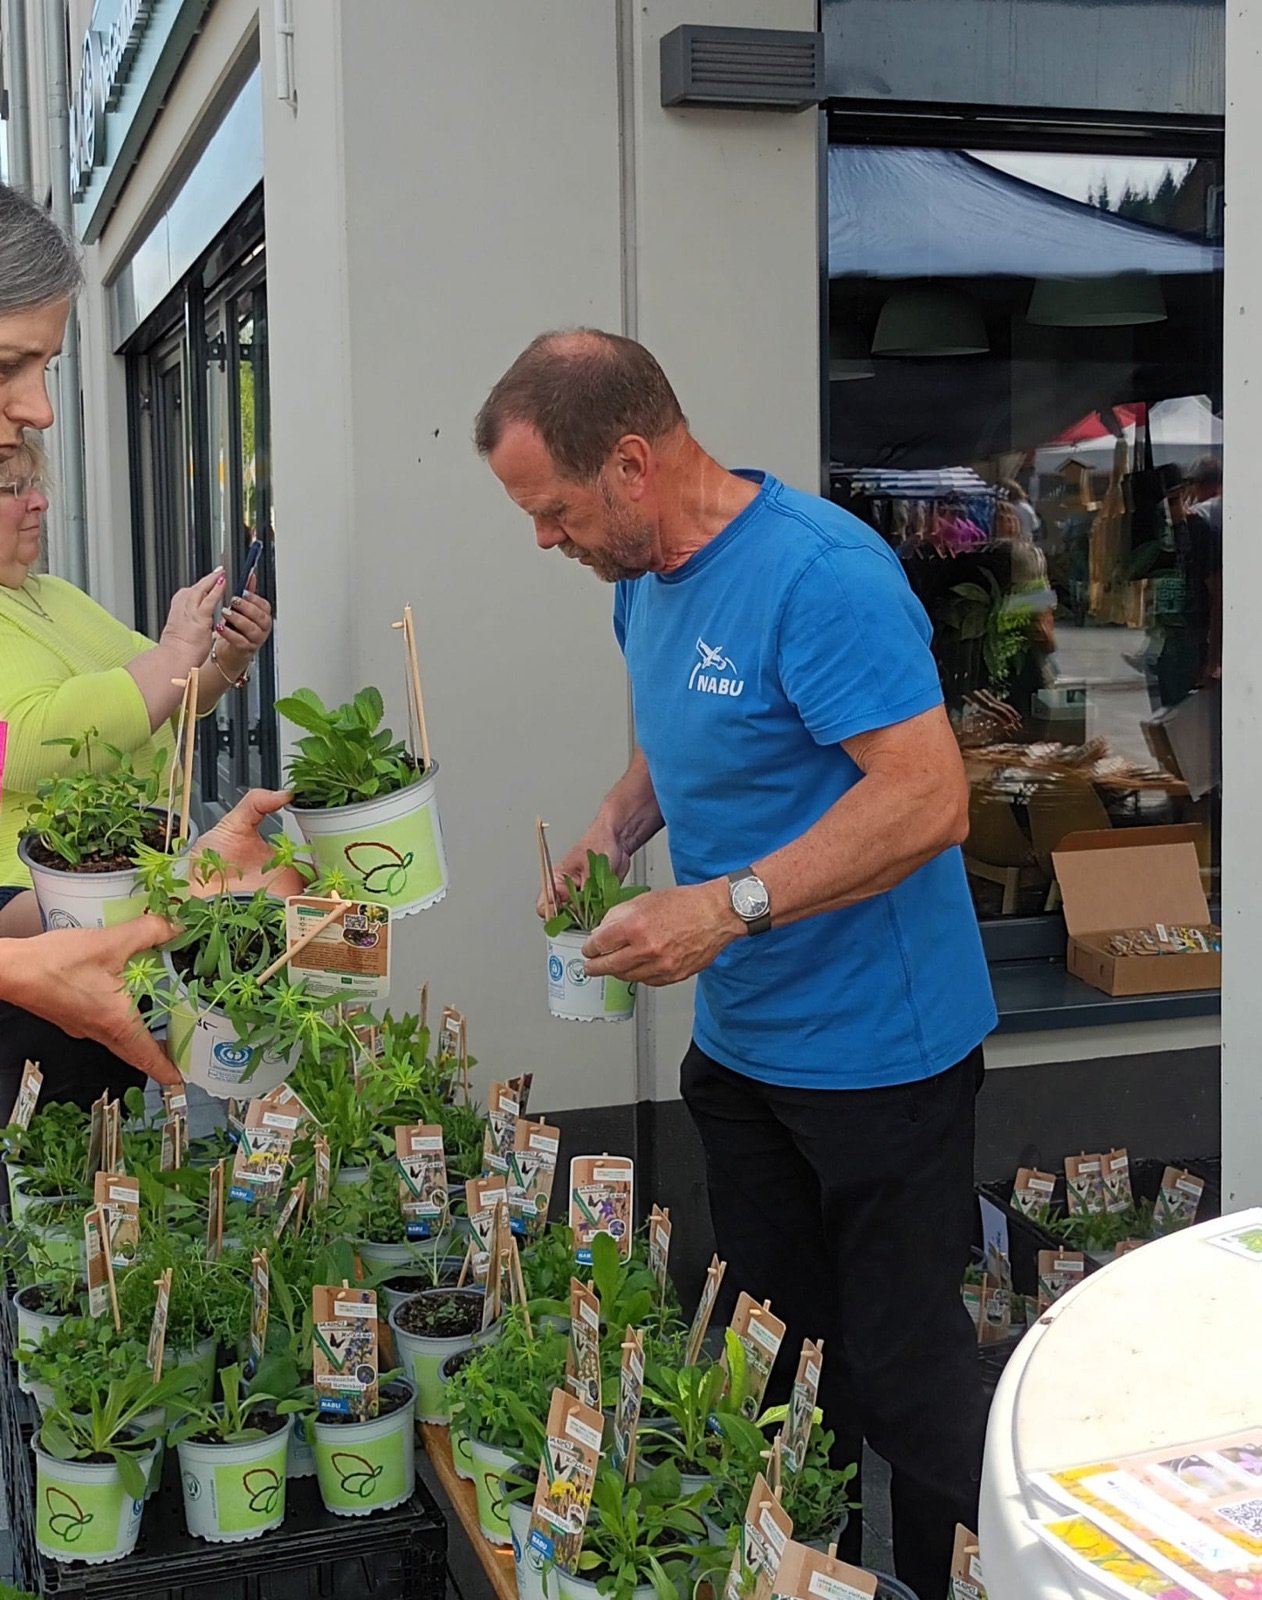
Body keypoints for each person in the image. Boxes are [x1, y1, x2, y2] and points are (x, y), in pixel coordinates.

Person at [475, 330, 997, 1600]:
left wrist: (727, 906)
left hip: (883, 1057)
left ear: (634, 462)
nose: (544, 541)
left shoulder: (820, 576)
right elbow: (681, 735)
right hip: (745, 1056)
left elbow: (928, 799)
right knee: (779, 1376)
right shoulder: (638, 576)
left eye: (551, 512)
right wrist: (615, 826)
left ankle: (975, 1583)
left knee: (907, 1386)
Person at [0, 181, 284, 1088]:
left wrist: (217, 666)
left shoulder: (50, 598)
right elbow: (25, 741)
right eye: (11, 363)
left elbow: (150, 705)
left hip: (70, 947)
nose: (39, 409)